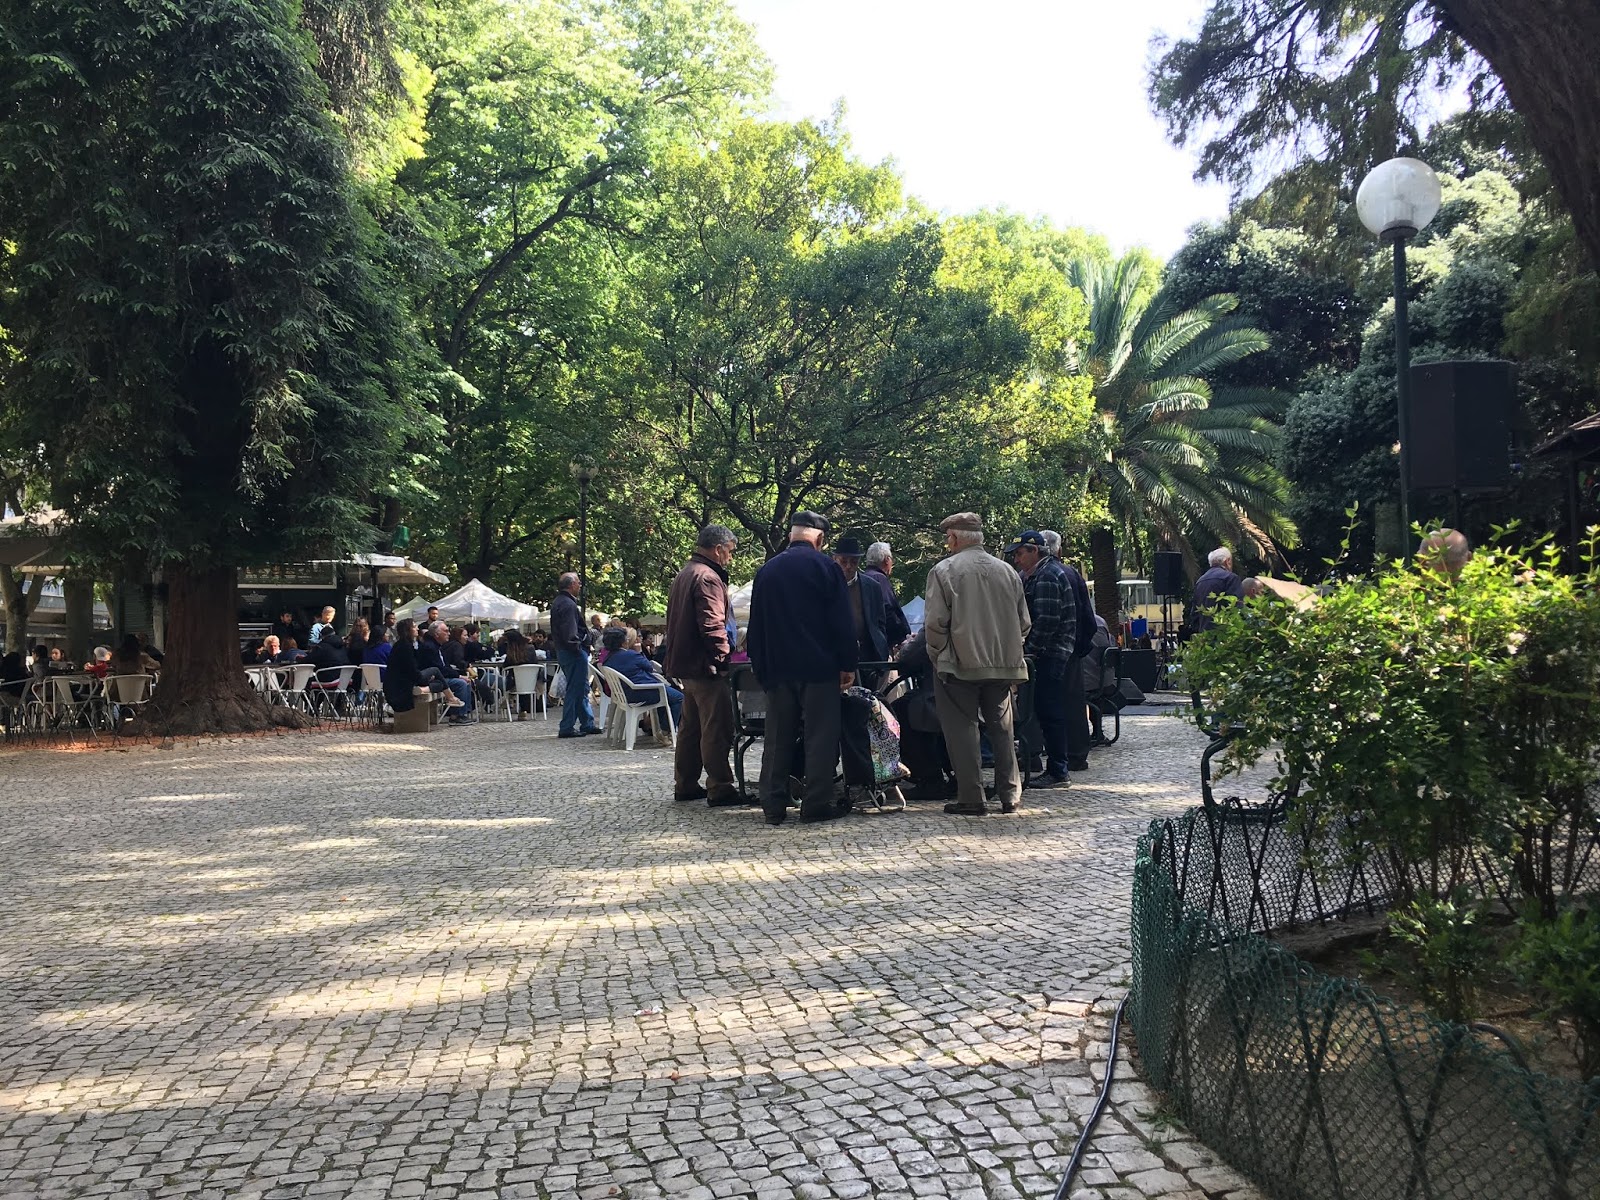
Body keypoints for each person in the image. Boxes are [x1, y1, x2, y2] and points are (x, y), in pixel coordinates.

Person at [746, 511, 857, 825]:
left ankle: (772, 804)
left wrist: (761, 666)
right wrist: (847, 664)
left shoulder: (767, 570)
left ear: (791, 535)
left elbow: (756, 625)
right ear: (819, 539)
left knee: (777, 737)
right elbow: (842, 622)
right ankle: (816, 803)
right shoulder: (827, 568)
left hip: (778, 668)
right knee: (820, 737)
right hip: (818, 667)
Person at [924, 512, 1030, 816]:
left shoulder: (944, 571)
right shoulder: (1008, 571)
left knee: (962, 729)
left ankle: (972, 796)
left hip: (959, 663)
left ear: (955, 538)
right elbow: (1024, 622)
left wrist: (939, 655)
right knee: (1002, 729)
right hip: (1003, 664)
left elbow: (935, 623)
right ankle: (1011, 794)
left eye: (948, 538)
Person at [664, 524, 740, 806]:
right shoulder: (707, 577)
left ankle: (685, 783)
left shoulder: (685, 573)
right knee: (715, 727)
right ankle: (720, 786)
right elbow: (712, 625)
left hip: (687, 665)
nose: (730, 557)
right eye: (730, 551)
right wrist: (723, 659)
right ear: (718, 549)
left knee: (691, 728)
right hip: (705, 666)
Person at [1006, 530, 1075, 790]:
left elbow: (1046, 621)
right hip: (1050, 653)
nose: (1016, 560)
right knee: (1048, 711)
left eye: (1019, 554)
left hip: (1049, 654)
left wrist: (1028, 651)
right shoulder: (1043, 573)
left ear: (1035, 551)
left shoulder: (1046, 576)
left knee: (1050, 712)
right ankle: (1057, 768)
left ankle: (1058, 771)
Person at [833, 536, 892, 809]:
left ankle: (867, 775)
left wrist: (879, 652)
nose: (848, 566)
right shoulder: (828, 584)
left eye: (853, 562)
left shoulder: (870, 586)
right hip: (836, 663)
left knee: (866, 717)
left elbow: (879, 622)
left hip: (867, 661)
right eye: (843, 561)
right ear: (835, 560)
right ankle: (847, 775)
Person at [1041, 529, 1095, 773]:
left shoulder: (1031, 575)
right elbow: (1088, 617)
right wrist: (1080, 647)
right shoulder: (1072, 574)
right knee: (1073, 703)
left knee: (1043, 703)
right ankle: (1076, 755)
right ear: (1059, 550)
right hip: (1071, 648)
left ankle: (1040, 754)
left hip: (1045, 650)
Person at [601, 626, 683, 731]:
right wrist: (639, 651)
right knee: (678, 697)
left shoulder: (608, 659)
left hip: (626, 694)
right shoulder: (631, 655)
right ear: (623, 642)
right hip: (643, 692)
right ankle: (666, 730)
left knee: (667, 697)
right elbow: (649, 667)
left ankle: (659, 728)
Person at [550, 572, 600, 738]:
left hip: (566, 651)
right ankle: (567, 726)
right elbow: (570, 633)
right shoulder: (568, 605)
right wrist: (578, 648)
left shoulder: (559, 602)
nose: (580, 585)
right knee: (575, 688)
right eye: (578, 582)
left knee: (581, 687)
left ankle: (586, 722)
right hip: (573, 652)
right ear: (571, 585)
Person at [384, 618, 464, 719]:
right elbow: (412, 670)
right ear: (407, 630)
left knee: (440, 683)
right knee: (435, 670)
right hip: (404, 683)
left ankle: (423, 689)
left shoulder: (403, 645)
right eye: (414, 626)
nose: (417, 628)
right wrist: (427, 678)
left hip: (405, 680)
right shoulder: (405, 647)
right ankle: (451, 697)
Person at [418, 620, 475, 724]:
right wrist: (459, 676)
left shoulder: (437, 646)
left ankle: (462, 713)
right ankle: (456, 716)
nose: (449, 633)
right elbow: (439, 669)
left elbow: (445, 666)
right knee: (461, 683)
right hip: (432, 679)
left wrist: (458, 675)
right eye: (446, 631)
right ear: (437, 634)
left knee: (465, 682)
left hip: (440, 677)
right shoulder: (430, 647)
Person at [862, 541, 911, 652]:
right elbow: (887, 609)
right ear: (887, 560)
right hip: (882, 643)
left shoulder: (863, 578)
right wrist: (902, 637)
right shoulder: (879, 579)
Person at [1193, 547, 1245, 631]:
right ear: (1227, 561)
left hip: (1205, 633)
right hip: (1225, 632)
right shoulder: (1230, 578)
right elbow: (1237, 607)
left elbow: (1195, 614)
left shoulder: (1200, 581)